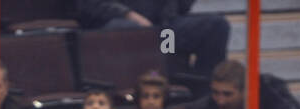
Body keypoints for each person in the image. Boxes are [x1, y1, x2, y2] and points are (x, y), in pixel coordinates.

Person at [76, 0, 230, 80]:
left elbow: (180, 8)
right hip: (117, 27)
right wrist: (128, 14)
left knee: (216, 26)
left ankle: (205, 95)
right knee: (132, 29)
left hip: (163, 31)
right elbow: (89, 5)